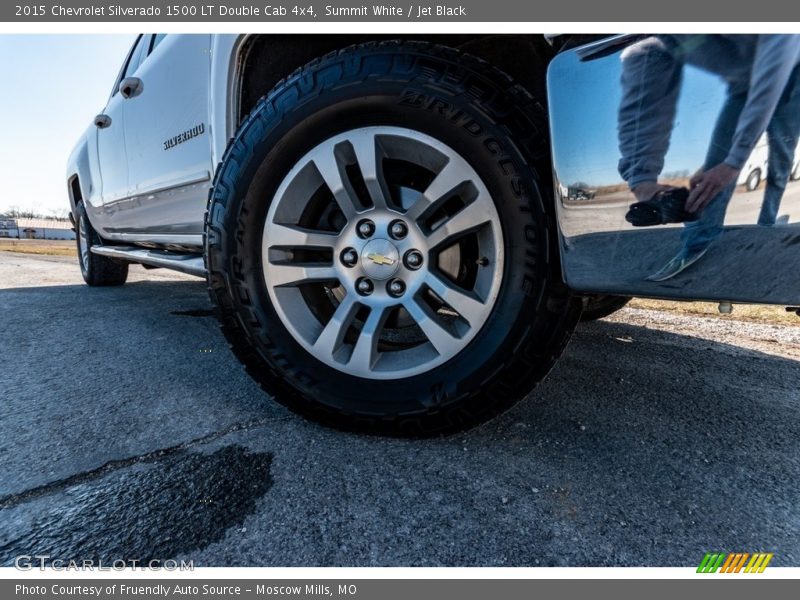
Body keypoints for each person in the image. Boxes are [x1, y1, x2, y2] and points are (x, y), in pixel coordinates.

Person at [617, 35, 800, 281]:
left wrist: (734, 162)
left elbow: (778, 57)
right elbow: (644, 100)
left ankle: (765, 231)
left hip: (792, 71)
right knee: (714, 171)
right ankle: (696, 243)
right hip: (743, 83)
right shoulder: (650, 45)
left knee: (779, 161)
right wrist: (641, 180)